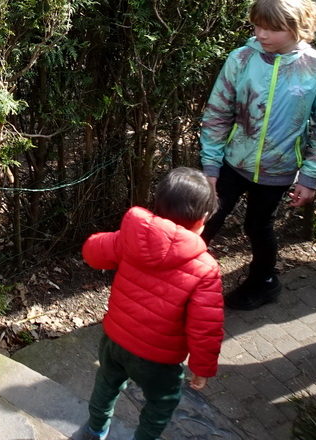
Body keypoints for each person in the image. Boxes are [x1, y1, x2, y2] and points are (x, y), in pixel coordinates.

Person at [200, 0, 316, 310]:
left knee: (258, 226)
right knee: (206, 220)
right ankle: (175, 280)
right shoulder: (242, 59)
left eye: (272, 29)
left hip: (279, 168)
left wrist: (309, 177)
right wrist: (210, 165)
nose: (261, 34)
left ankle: (263, 281)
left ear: (298, 26)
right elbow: (218, 112)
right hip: (232, 162)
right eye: (257, 25)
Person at [80, 168, 223, 440]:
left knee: (106, 384)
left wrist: (113, 240)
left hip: (116, 340)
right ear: (202, 219)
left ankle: (95, 429)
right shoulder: (205, 269)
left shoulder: (132, 239)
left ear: (157, 206)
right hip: (160, 359)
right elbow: (205, 328)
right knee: (160, 404)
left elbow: (92, 253)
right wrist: (202, 368)